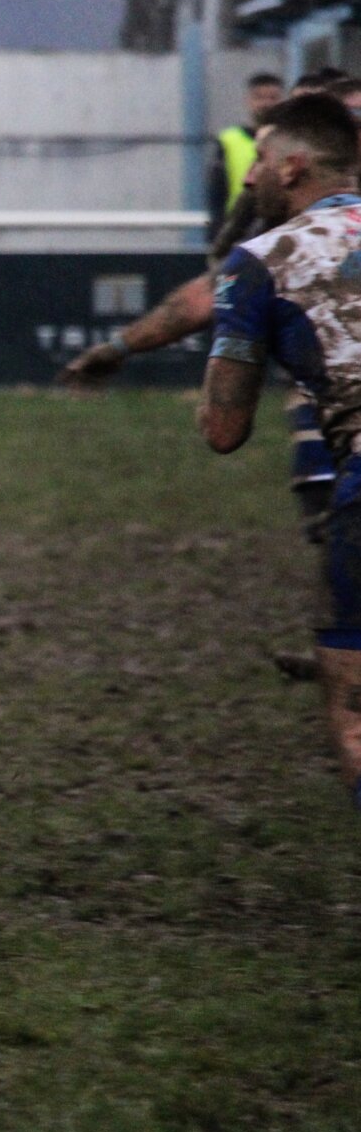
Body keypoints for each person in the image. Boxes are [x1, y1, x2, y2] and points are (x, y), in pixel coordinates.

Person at [195, 93, 361, 809]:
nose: (247, 175)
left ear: (293, 167)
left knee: (353, 707)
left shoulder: (261, 261)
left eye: (258, 159)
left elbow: (223, 430)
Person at [206, 72, 283, 240]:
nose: (266, 104)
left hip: (279, 230)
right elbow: (217, 194)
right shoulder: (228, 140)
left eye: (273, 97)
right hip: (237, 231)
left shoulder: (291, 139)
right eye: (259, 97)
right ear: (248, 100)